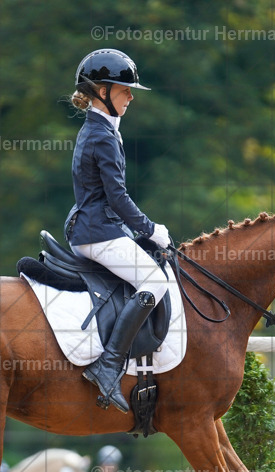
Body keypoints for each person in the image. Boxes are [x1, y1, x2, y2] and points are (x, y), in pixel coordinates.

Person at [66, 49, 171, 413]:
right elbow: (118, 196)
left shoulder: (101, 128)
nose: (131, 96)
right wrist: (151, 229)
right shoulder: (102, 135)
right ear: (101, 91)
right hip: (98, 232)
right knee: (156, 282)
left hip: (96, 226)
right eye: (125, 90)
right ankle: (108, 366)